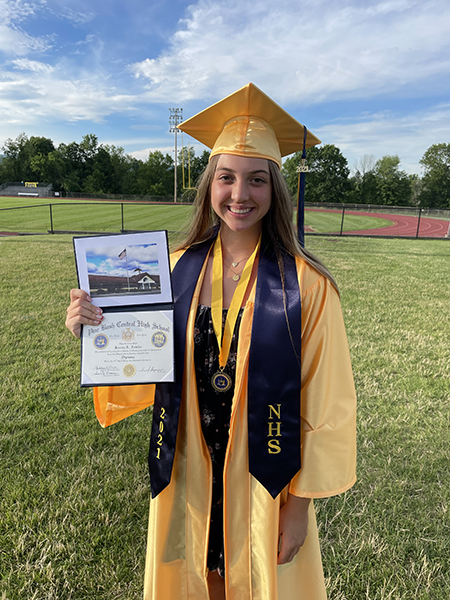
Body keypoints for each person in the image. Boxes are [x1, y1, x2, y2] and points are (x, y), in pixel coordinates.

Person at [65, 83, 356, 600]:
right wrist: (94, 329)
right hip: (188, 467)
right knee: (194, 579)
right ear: (209, 185)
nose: (240, 195)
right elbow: (141, 368)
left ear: (275, 190)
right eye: (226, 178)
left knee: (259, 578)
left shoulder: (308, 286)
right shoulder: (172, 268)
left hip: (265, 476)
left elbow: (326, 403)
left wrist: (300, 506)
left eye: (257, 180)